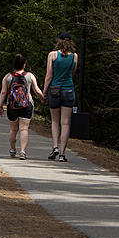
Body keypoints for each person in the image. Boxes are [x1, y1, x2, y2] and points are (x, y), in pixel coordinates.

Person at [0, 54, 45, 159]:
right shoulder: (29, 76)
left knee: (13, 129)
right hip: (26, 105)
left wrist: (1, 106)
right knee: (24, 129)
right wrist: (43, 98)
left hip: (12, 105)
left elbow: (4, 92)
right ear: (24, 65)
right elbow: (37, 90)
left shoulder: (8, 77)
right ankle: (23, 151)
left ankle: (13, 149)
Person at [44, 32, 78, 163]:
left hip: (55, 90)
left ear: (58, 40)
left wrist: (44, 91)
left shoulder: (52, 55)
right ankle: (63, 153)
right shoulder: (74, 56)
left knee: (55, 121)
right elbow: (72, 72)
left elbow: (49, 75)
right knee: (66, 123)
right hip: (68, 89)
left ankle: (55, 146)